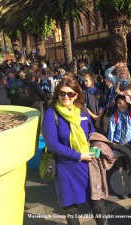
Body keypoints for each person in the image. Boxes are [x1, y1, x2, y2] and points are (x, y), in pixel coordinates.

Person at [42, 78, 109, 225]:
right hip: (65, 167)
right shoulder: (51, 114)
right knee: (70, 206)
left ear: (77, 95)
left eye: (70, 94)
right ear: (57, 94)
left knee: (96, 200)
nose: (66, 97)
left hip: (87, 165)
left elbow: (91, 131)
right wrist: (79, 155)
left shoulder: (83, 111)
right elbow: (52, 144)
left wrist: (96, 145)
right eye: (62, 93)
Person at [108, 86, 131, 199]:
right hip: (118, 145)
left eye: (124, 103)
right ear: (116, 104)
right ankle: (123, 190)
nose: (122, 105)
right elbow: (111, 134)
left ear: (128, 103)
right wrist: (111, 148)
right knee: (121, 169)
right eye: (119, 103)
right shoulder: (113, 117)